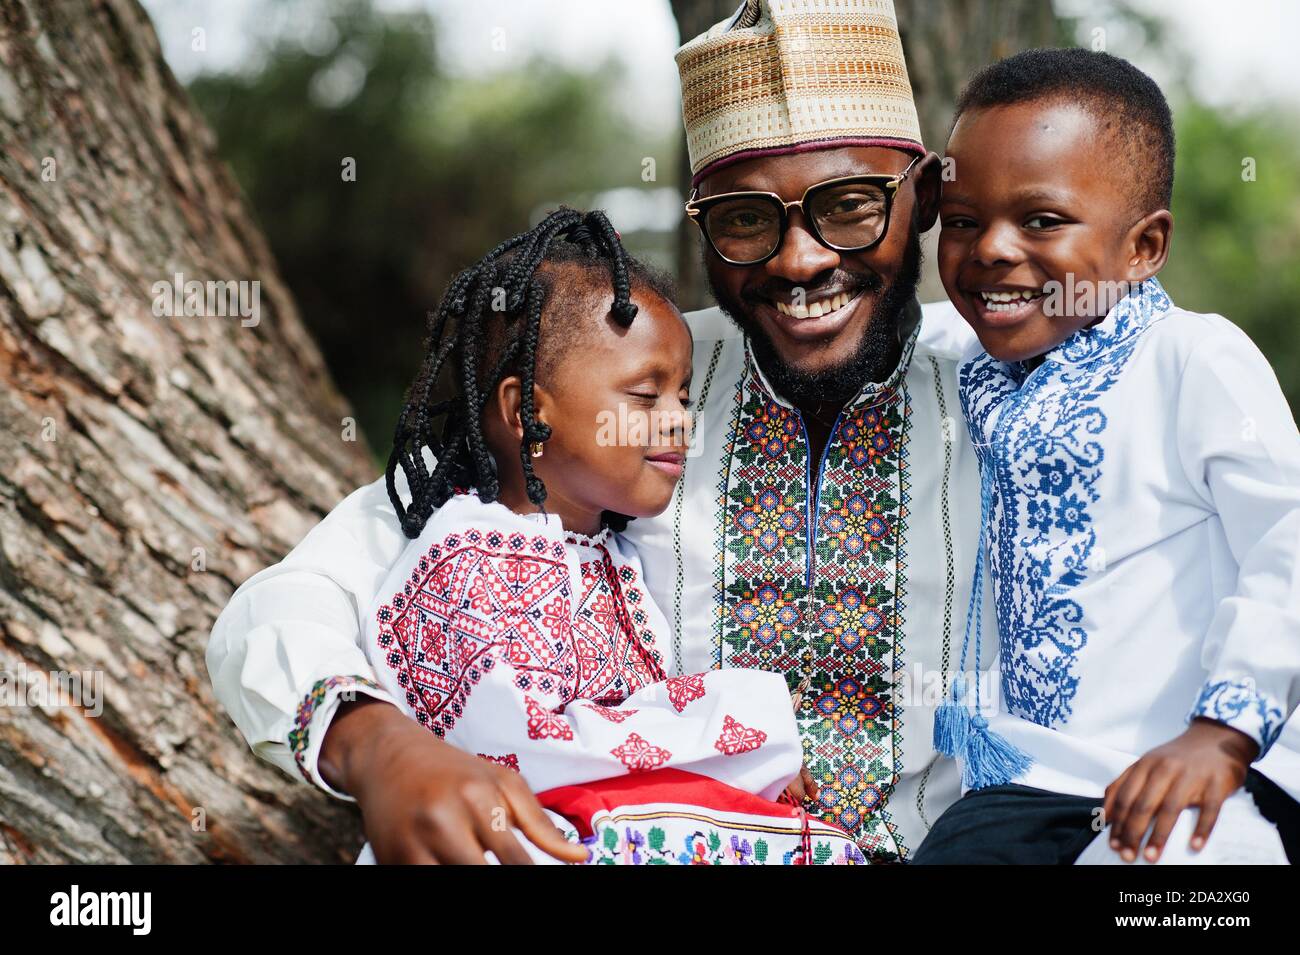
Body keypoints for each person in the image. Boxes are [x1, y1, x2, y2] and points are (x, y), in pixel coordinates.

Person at [207, 0, 998, 864]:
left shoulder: (1008, 395)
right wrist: (376, 744)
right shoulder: (621, 367)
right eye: (744, 218)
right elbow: (289, 601)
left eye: (850, 206)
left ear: (921, 196)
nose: (799, 260)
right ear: (700, 220)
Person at [344, 206, 860, 864]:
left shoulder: (614, 554)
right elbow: (524, 744)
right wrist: (741, 719)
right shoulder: (476, 550)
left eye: (682, 396)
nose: (678, 422)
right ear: (525, 411)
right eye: (646, 396)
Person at [911, 48, 1300, 865]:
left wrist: (1222, 733)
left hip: (1197, 776)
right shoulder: (959, 360)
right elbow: (842, 331)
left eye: (1042, 220)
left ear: (1144, 247)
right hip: (1021, 793)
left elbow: (1289, 541)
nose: (991, 250)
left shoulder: (1192, 358)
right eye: (963, 220)